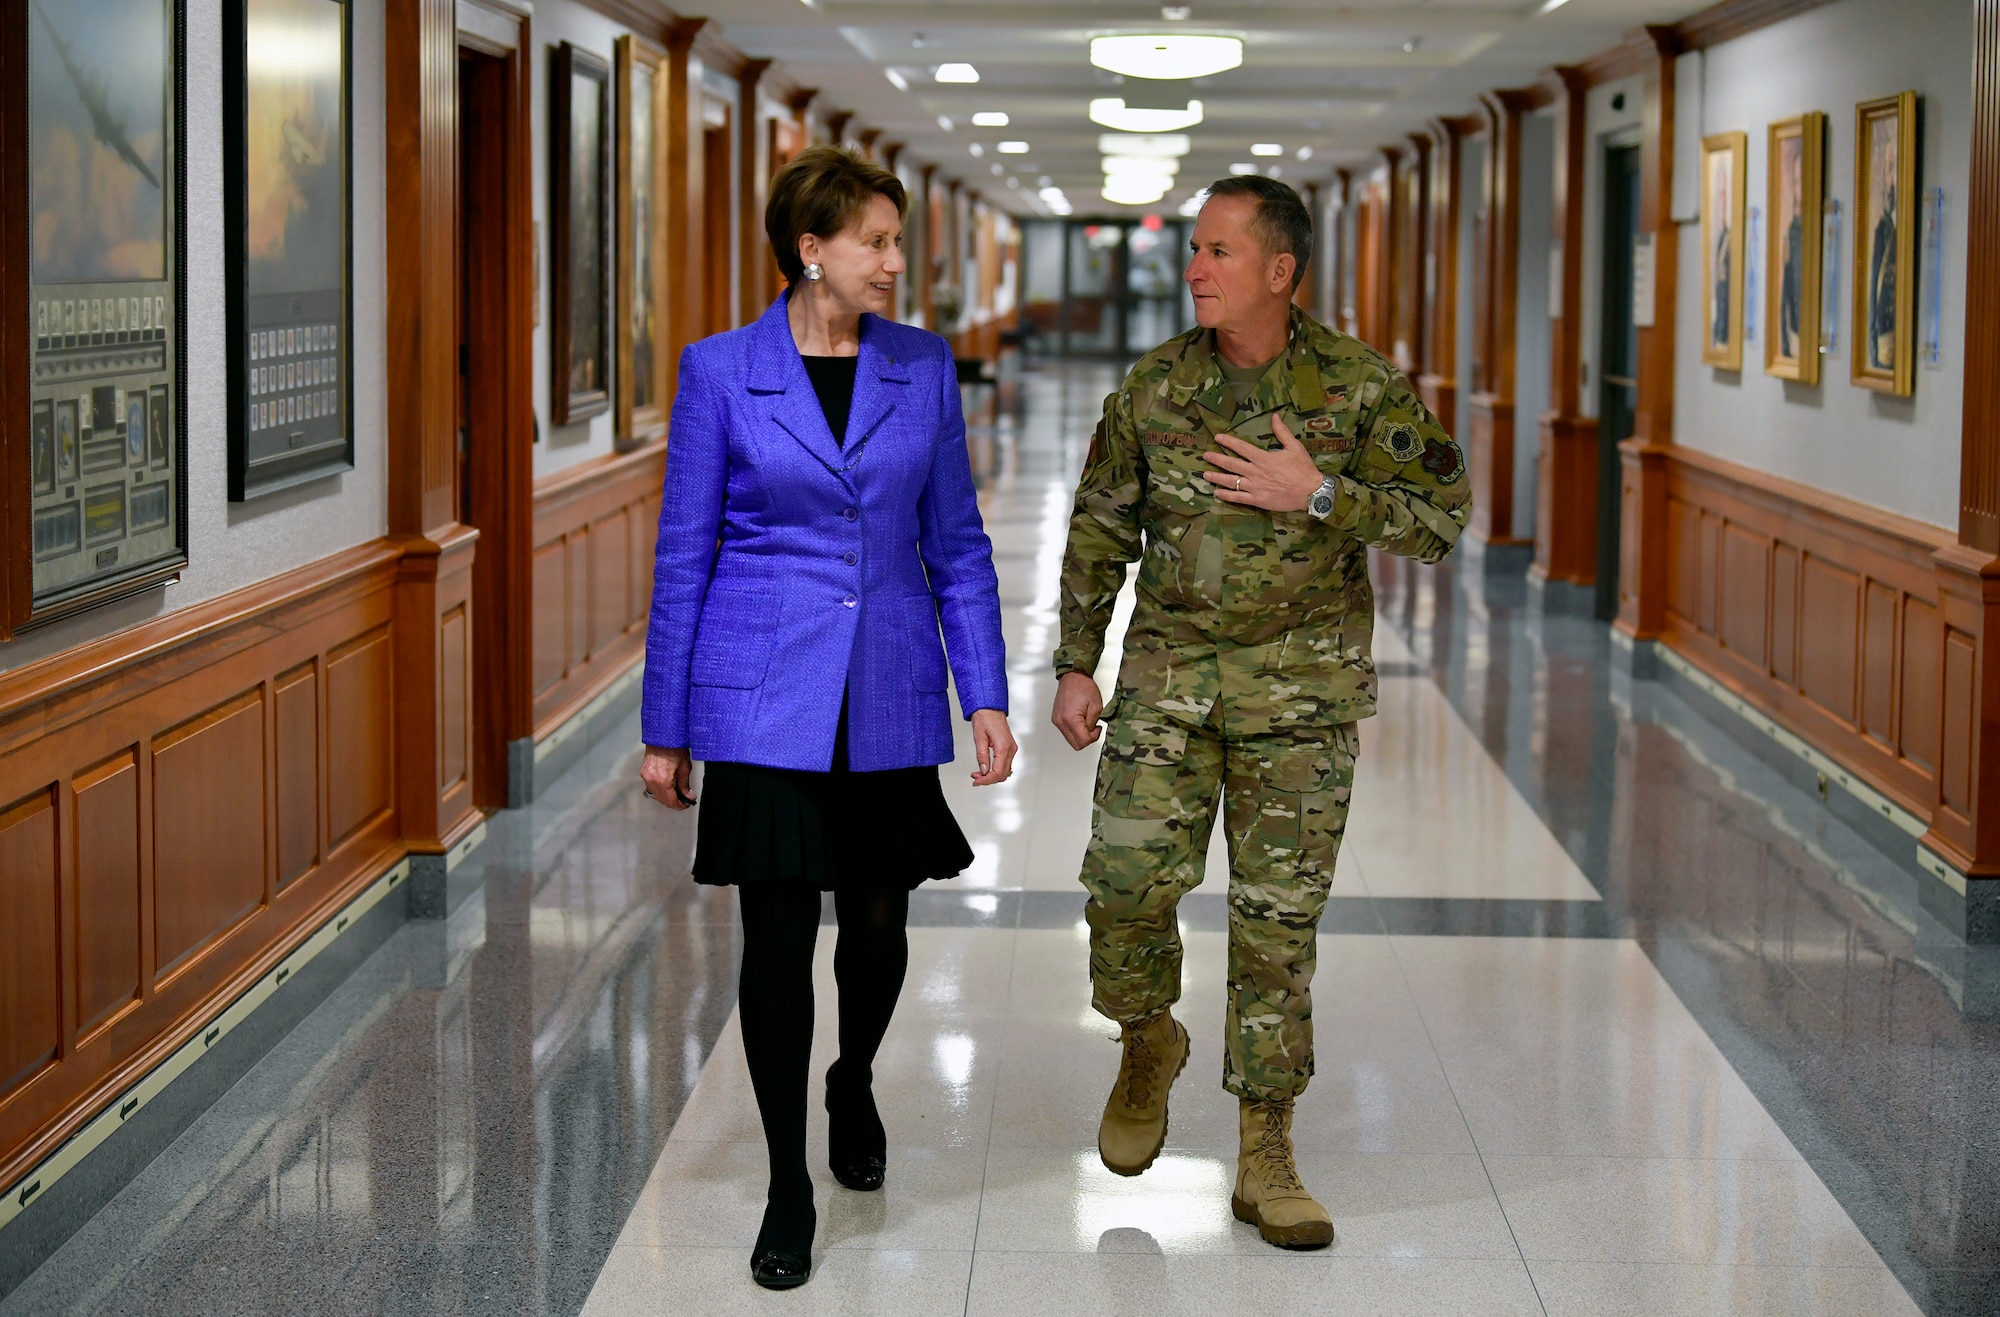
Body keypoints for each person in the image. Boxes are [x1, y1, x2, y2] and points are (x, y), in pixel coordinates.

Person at [1049, 176, 1470, 1250]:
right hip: (1168, 682)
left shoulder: (1357, 389)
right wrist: (1073, 663)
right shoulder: (1153, 388)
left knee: (1276, 931)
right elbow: (1099, 527)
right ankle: (1148, 1039)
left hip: (1301, 692)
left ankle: (1266, 1148)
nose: (1193, 267)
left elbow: (1439, 519)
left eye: (1217, 252)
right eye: (1194, 249)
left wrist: (1317, 493)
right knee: (1123, 889)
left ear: (1279, 272)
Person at [639, 145, 1016, 1292]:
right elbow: (683, 554)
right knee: (774, 941)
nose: (896, 263)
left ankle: (852, 1075)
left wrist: (984, 690)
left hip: (891, 684)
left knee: (878, 929)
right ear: (812, 250)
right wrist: (668, 726)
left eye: (897, 242)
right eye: (877, 242)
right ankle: (788, 1185)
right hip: (762, 695)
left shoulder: (921, 367)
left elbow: (954, 543)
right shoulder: (720, 373)